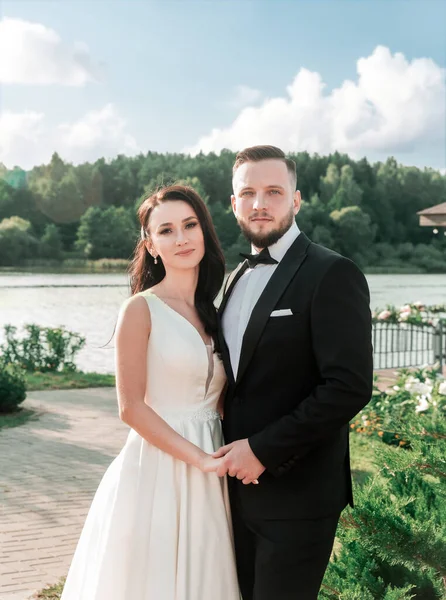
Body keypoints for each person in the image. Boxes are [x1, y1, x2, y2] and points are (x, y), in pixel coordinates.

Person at [61, 185, 241, 600]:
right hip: (159, 465)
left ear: (204, 231)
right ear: (151, 245)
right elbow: (131, 408)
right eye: (166, 230)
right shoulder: (140, 309)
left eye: (190, 225)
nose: (181, 238)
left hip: (213, 461)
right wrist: (198, 459)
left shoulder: (215, 311)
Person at [215, 145, 373, 600]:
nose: (259, 204)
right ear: (234, 204)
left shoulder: (332, 273)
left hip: (298, 497)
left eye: (273, 191)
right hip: (231, 494)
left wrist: (263, 450)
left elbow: (348, 387)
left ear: (296, 200)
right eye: (248, 193)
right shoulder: (232, 278)